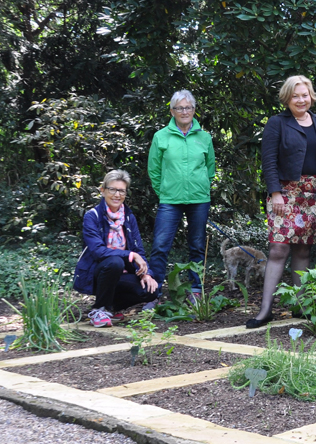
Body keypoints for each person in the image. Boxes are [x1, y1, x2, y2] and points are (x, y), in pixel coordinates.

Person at [247, 75, 316, 329]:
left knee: (303, 249)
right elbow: (268, 160)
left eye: (304, 95)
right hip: (285, 193)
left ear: (311, 96)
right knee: (278, 249)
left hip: (313, 193)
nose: (301, 99)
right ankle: (265, 310)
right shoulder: (277, 123)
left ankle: (301, 306)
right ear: (287, 98)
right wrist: (275, 192)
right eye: (295, 95)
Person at [148, 89, 216, 305]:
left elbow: (210, 169)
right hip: (170, 200)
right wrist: (165, 192)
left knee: (197, 245)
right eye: (180, 108)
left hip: (199, 200)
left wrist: (202, 187)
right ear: (172, 111)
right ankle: (154, 292)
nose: (184, 111)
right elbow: (154, 170)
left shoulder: (204, 137)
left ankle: (196, 290)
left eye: (188, 107)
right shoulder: (161, 136)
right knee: (160, 245)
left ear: (194, 110)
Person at [73, 170, 158, 327]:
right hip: (99, 272)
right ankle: (99, 309)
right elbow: (98, 251)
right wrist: (130, 255)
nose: (117, 195)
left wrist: (147, 274)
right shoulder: (92, 216)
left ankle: (110, 307)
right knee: (115, 262)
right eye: (112, 189)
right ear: (103, 190)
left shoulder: (128, 217)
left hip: (123, 272)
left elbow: (139, 251)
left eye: (121, 191)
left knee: (151, 290)